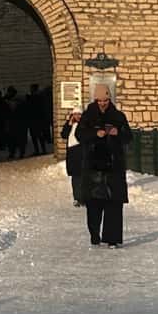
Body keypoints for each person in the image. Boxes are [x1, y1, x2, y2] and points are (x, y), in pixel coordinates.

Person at [75, 84, 133, 248]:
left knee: (114, 204)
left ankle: (112, 238)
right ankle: (95, 235)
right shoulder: (88, 116)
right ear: (95, 99)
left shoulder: (118, 116)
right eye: (100, 100)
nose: (103, 103)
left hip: (113, 165)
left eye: (105, 100)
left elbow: (128, 136)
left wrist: (118, 133)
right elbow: (79, 134)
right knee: (94, 204)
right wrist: (95, 133)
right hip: (93, 165)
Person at [60, 109, 85, 205]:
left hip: (81, 151)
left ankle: (83, 197)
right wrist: (69, 124)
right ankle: (77, 197)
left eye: (79, 114)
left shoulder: (84, 124)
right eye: (75, 114)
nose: (77, 116)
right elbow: (64, 135)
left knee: (82, 175)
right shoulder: (69, 124)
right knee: (75, 176)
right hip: (72, 152)